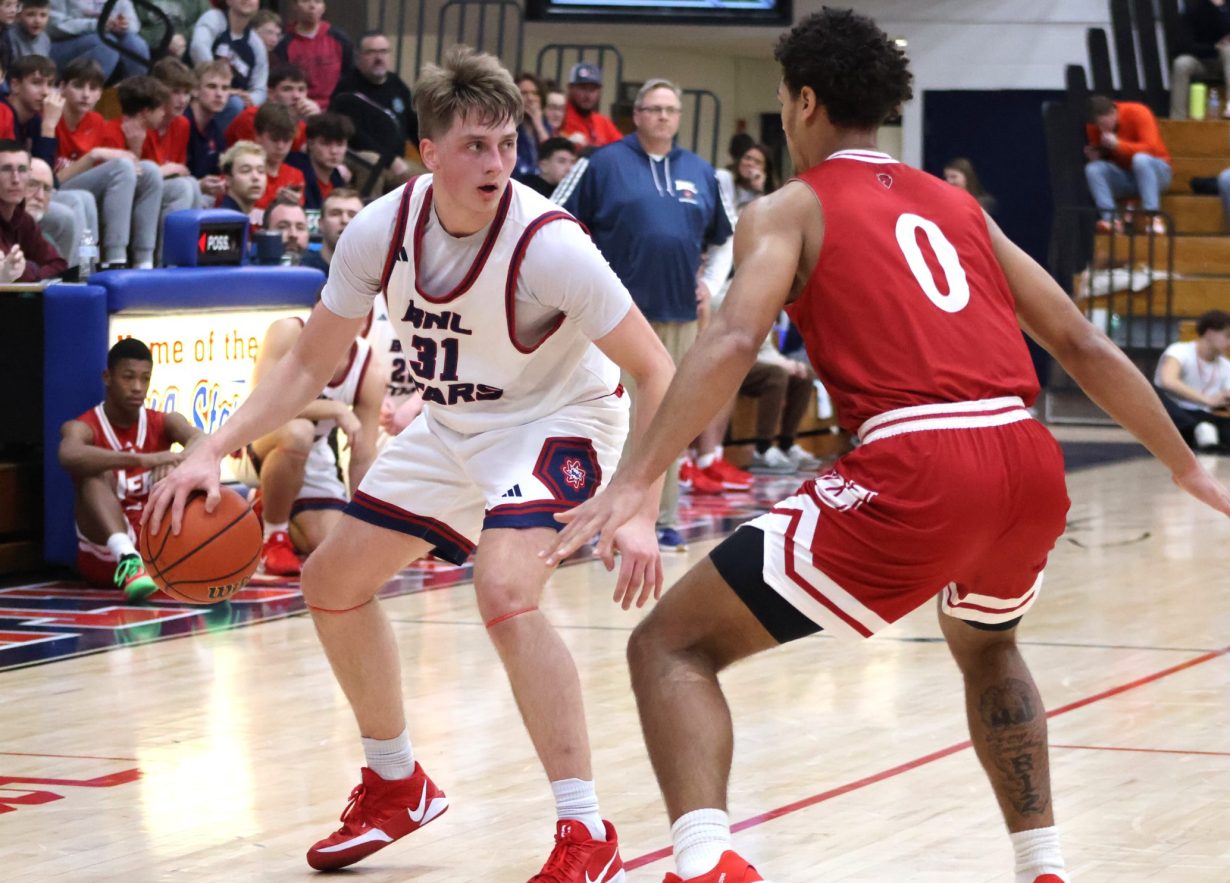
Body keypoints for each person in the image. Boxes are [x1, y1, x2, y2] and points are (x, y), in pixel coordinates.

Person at [541, 9, 1230, 883]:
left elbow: (732, 340)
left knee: (670, 646)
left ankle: (705, 860)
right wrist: (1181, 462)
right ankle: (1043, 864)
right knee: (988, 643)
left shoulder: (788, 208)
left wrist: (636, 480)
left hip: (918, 459)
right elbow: (1081, 341)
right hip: (1026, 457)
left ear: (804, 101)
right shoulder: (959, 205)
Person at [146, 44, 674, 882]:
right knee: (330, 580)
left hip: (560, 418)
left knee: (505, 588)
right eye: (475, 146)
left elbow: (658, 370)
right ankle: (397, 783)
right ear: (429, 152)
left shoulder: (551, 246)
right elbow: (307, 363)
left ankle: (588, 830)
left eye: (507, 144)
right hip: (456, 419)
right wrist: (210, 447)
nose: (496, 163)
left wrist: (639, 500)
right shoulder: (379, 230)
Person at [557, 77, 734, 550]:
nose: (662, 117)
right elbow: (554, 220)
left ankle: (660, 517)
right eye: (653, 109)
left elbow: (726, 238)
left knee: (668, 421)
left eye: (670, 110)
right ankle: (601, 518)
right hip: (612, 318)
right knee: (612, 419)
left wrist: (711, 285)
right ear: (636, 115)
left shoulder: (701, 172)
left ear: (679, 118)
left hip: (679, 314)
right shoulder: (601, 163)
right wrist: (583, 284)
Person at [232, 314, 382, 574]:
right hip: (255, 437)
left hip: (314, 454)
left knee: (330, 547)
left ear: (364, 323)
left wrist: (362, 524)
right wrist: (333, 408)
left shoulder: (368, 368)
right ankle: (274, 537)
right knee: (299, 432)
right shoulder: (287, 331)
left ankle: (264, 506)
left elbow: (363, 456)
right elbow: (261, 404)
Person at [58, 338, 200, 602]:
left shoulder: (164, 421)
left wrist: (176, 463)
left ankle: (198, 556)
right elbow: (68, 454)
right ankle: (128, 560)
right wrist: (144, 460)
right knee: (93, 473)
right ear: (107, 377)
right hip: (106, 552)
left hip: (154, 540)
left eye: (145, 379)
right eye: (128, 377)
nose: (137, 387)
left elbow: (203, 440)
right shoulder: (84, 425)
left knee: (187, 473)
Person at [54, 56, 155, 270]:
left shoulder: (98, 122)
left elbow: (125, 174)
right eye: (78, 86)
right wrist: (93, 155)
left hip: (88, 192)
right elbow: (53, 182)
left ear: (100, 94)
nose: (86, 94)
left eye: (93, 88)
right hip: (59, 189)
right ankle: (115, 258)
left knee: (150, 170)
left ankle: (145, 261)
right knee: (118, 168)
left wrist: (135, 151)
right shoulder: (50, 119)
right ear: (62, 88)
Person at [330, 31, 417, 181]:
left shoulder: (396, 84)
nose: (378, 58)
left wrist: (432, 152)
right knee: (373, 164)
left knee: (431, 180)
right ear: (358, 56)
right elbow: (354, 135)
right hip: (362, 159)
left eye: (383, 52)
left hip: (398, 161)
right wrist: (390, 159)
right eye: (371, 52)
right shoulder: (347, 89)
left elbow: (413, 124)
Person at [1084, 94, 1171, 235]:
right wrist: (1098, 156)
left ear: (1113, 113)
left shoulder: (1138, 112)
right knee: (1093, 169)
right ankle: (1112, 221)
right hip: (1127, 176)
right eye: (1099, 126)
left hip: (1157, 172)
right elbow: (1109, 157)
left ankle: (1153, 216)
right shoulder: (1093, 127)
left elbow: (1151, 149)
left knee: (1140, 160)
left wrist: (1118, 145)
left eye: (1105, 124)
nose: (1102, 129)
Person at [1154, 309, 1230, 450]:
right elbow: (1168, 381)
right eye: (1227, 336)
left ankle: (1203, 434)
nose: (1229, 342)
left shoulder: (1225, 365)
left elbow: (1224, 399)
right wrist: (1207, 400)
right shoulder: (1179, 350)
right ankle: (1198, 431)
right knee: (1155, 394)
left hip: (1203, 414)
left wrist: (1224, 397)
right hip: (1175, 412)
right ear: (1210, 333)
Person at [189, 0, 268, 132]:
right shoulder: (214, 18)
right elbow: (198, 48)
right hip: (199, 92)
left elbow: (260, 89)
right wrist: (221, 85)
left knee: (241, 105)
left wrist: (250, 98)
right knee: (234, 103)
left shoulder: (256, 44)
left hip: (233, 103)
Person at [0, 138, 66, 279]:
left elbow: (59, 265)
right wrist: (33, 270)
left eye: (22, 170)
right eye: (6, 169)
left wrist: (29, 270)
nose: (16, 179)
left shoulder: (23, 219)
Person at [273, 0, 352, 111]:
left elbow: (349, 77)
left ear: (324, 7)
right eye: (306, 1)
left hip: (335, 109)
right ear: (295, 6)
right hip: (298, 108)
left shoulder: (340, 39)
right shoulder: (283, 44)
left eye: (317, 1)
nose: (312, 6)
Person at [48, 0, 149, 83]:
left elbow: (134, 25)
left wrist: (123, 25)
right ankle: (84, 94)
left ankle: (134, 95)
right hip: (61, 44)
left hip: (105, 36)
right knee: (106, 44)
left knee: (136, 45)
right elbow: (54, 27)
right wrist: (96, 25)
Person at [225, 62, 315, 149]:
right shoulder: (252, 118)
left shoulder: (301, 125)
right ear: (271, 94)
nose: (296, 96)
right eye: (287, 89)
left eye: (301, 90)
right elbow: (258, 156)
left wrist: (315, 121)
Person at [1169, 0, 1230, 119]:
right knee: (1181, 64)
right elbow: (1183, 44)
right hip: (1201, 60)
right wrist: (1214, 47)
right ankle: (1177, 118)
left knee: (1228, 49)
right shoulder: (1194, 8)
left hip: (1225, 61)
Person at [284, 110, 352, 209]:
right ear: (310, 144)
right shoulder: (294, 170)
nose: (334, 151)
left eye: (340, 144)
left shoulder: (338, 180)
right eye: (326, 144)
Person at [185, 59, 231, 201]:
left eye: (225, 88)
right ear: (195, 90)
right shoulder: (181, 122)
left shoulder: (217, 133)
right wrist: (198, 185)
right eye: (212, 86)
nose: (219, 94)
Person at [251, 102, 304, 210]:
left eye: (287, 140)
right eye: (274, 139)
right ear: (257, 136)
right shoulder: (243, 172)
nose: (280, 146)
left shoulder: (295, 175)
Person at [558, 61, 621, 150]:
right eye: (583, 88)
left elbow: (623, 149)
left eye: (593, 89)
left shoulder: (603, 122)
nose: (588, 95)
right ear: (570, 88)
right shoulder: (559, 117)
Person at [300, 184, 358, 271]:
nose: (344, 220)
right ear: (320, 223)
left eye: (352, 215)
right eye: (335, 213)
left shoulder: (375, 268)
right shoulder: (302, 267)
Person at [217, 138, 264, 225]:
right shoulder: (222, 221)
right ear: (228, 180)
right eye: (246, 171)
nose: (256, 177)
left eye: (261, 171)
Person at [513, 70, 548, 182]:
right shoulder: (509, 126)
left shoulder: (545, 125)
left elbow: (552, 156)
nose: (530, 98)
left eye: (535, 93)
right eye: (524, 93)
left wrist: (539, 125)